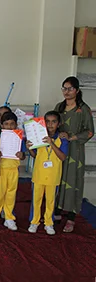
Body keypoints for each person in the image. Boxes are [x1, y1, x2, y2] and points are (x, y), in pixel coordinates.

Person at [54, 76, 95, 233]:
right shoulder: (59, 107)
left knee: (74, 180)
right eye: (64, 88)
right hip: (60, 149)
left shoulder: (83, 109)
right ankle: (57, 211)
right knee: (58, 177)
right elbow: (52, 124)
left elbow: (90, 131)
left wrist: (72, 137)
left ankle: (71, 217)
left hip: (75, 150)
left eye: (70, 89)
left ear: (77, 90)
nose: (67, 92)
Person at [27, 111, 69, 235]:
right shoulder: (38, 136)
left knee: (50, 201)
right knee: (36, 200)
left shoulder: (62, 139)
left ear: (59, 124)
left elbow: (62, 157)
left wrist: (51, 143)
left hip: (53, 176)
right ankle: (34, 222)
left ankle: (48, 223)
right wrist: (29, 148)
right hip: (38, 175)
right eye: (48, 122)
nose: (50, 125)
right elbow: (35, 155)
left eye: (53, 122)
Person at [0, 111, 25, 231]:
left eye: (12, 124)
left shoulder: (19, 139)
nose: (9, 126)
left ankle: (9, 217)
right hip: (1, 170)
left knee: (11, 194)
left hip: (13, 170)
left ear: (16, 125)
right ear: (1, 125)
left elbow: (23, 155)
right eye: (6, 124)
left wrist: (21, 155)